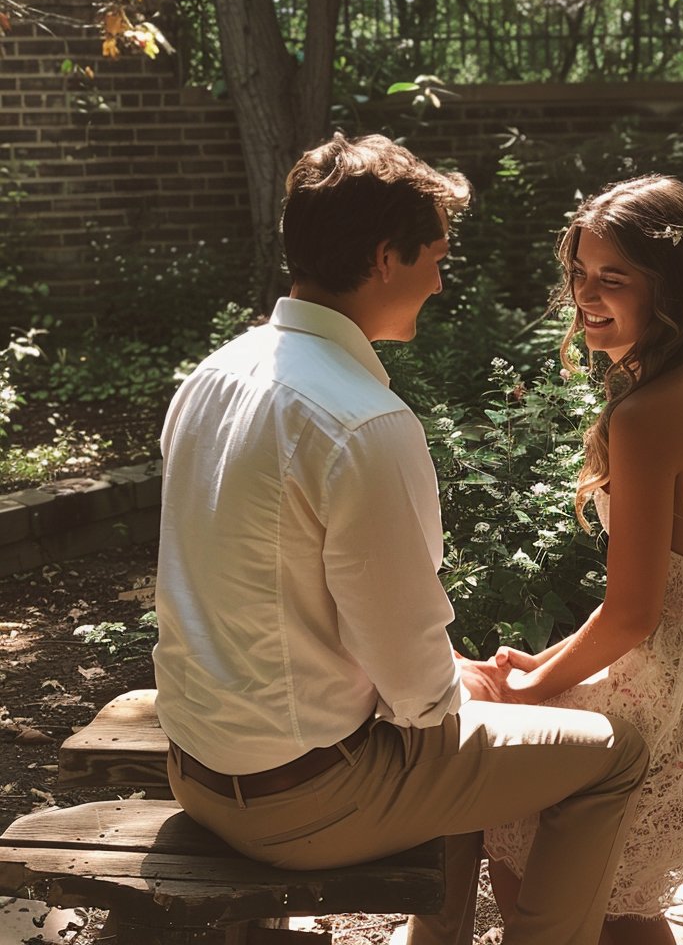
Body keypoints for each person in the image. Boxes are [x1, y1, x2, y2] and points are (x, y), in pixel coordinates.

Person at [152, 132, 650, 945]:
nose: (442, 281)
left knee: (458, 739)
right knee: (612, 750)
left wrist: (446, 682)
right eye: (436, 258)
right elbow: (419, 699)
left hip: (198, 774)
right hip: (299, 803)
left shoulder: (214, 376)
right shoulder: (363, 423)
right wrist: (467, 685)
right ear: (387, 258)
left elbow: (290, 612)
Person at [481, 175, 683, 945]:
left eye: (612, 278)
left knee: (513, 822)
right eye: (579, 274)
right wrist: (547, 664)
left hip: (678, 700)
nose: (585, 295)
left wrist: (534, 687)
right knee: (614, 897)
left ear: (671, 286)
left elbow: (633, 613)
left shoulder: (648, 415)